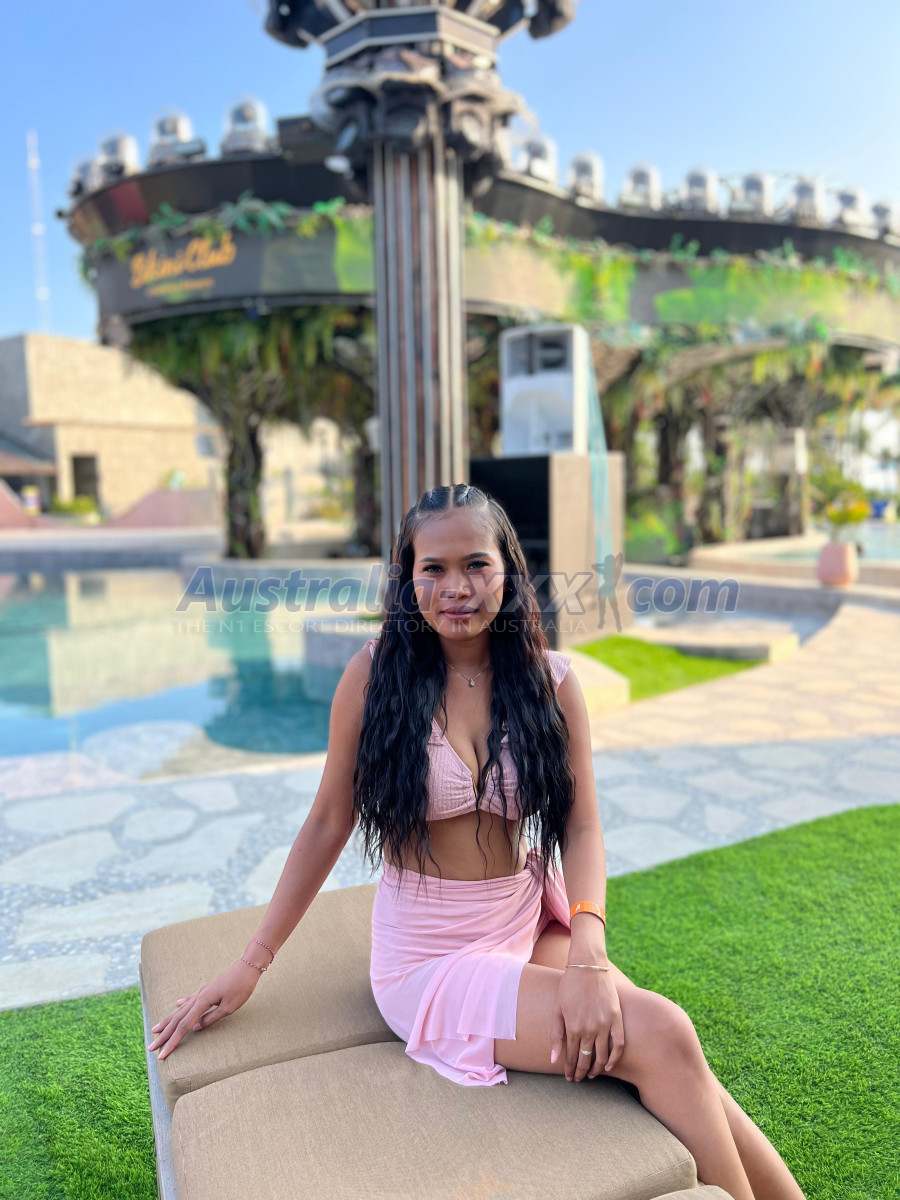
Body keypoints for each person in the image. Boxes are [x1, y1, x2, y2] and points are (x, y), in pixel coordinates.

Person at [147, 483, 806, 1200]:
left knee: (674, 1050)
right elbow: (328, 822)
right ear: (407, 580)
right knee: (662, 1030)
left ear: (508, 571)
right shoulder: (372, 678)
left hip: (526, 918)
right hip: (430, 959)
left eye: (476, 565)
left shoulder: (550, 683)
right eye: (433, 568)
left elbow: (581, 824)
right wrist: (251, 962)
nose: (455, 588)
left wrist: (588, 942)